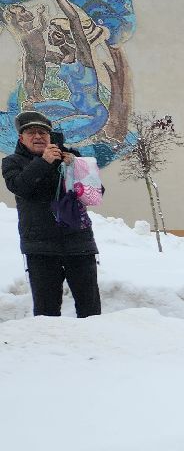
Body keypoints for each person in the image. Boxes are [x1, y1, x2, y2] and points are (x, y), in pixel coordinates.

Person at [2, 111, 101, 318]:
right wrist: (44, 162)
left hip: (79, 242)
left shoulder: (69, 157)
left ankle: (94, 347)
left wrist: (79, 168)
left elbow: (96, 193)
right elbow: (20, 187)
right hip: (40, 247)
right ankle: (50, 348)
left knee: (90, 308)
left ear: (50, 136)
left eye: (43, 133)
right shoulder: (12, 162)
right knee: (46, 312)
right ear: (21, 138)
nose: (38, 137)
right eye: (31, 132)